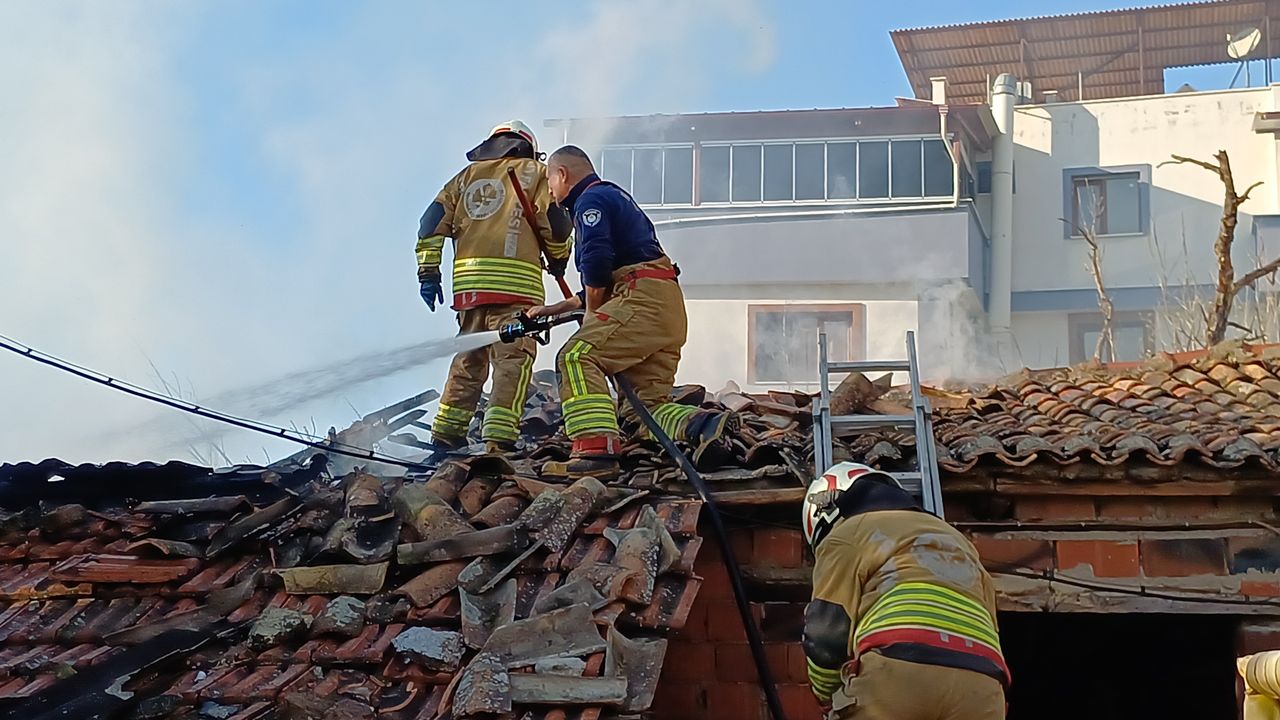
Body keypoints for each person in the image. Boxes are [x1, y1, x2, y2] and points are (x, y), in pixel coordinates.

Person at [529, 145, 735, 479]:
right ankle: (702, 426)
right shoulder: (614, 197)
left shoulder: (590, 201)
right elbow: (608, 280)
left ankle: (594, 454)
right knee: (643, 413)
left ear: (562, 174)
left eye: (549, 181)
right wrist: (554, 310)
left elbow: (596, 263)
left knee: (576, 356)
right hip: (661, 305)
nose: (550, 193)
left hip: (642, 300)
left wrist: (593, 317)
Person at [802, 461, 1009, 720]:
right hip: (984, 682)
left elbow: (826, 635)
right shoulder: (959, 541)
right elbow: (990, 623)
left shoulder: (845, 534)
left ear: (824, 517)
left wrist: (829, 697)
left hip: (900, 672)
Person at [417, 121, 572, 453]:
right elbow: (557, 225)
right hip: (516, 291)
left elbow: (429, 224)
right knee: (512, 362)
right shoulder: (536, 173)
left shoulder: (464, 178)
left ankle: (446, 434)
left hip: (469, 291)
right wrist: (559, 259)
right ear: (527, 146)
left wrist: (428, 274)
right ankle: (498, 440)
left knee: (468, 361)